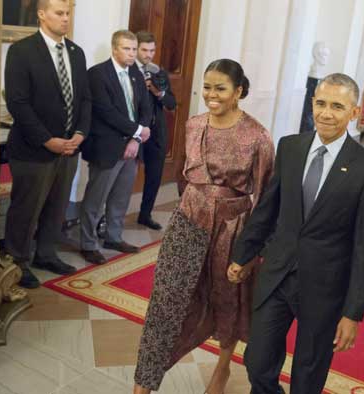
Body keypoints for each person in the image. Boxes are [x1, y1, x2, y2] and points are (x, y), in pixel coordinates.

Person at [228, 73, 364, 394]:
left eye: (338, 106)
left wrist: (352, 313)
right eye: (321, 103)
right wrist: (243, 254)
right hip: (277, 274)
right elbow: (267, 209)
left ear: (354, 112)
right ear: (312, 103)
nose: (327, 113)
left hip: (325, 288)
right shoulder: (290, 147)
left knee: (307, 376)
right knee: (257, 362)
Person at [133, 59, 275, 394]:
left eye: (220, 88)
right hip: (189, 221)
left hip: (232, 228)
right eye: (207, 87)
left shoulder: (258, 136)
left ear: (238, 91)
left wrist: (252, 253)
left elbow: (266, 197)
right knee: (164, 302)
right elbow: (187, 175)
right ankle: (143, 382)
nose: (211, 94)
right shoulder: (194, 124)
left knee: (228, 300)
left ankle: (222, 369)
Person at [4, 0, 91, 288]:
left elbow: (85, 99)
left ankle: (46, 254)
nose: (65, 19)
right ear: (42, 15)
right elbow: (18, 103)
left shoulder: (76, 53)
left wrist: (79, 133)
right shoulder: (22, 51)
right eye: (59, 13)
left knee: (56, 206)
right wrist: (47, 140)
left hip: (69, 149)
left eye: (68, 13)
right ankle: (16, 263)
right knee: (26, 209)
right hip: (33, 150)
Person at [79, 30, 152, 265]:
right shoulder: (97, 74)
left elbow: (146, 108)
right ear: (114, 49)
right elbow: (106, 112)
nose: (132, 54)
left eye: (133, 49)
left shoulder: (136, 74)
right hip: (107, 147)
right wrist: (138, 131)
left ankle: (113, 236)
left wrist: (136, 140)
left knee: (120, 197)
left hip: (131, 147)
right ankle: (88, 244)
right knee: (95, 199)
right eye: (126, 48)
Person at [134, 31, 176, 230]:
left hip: (156, 131)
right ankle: (106, 219)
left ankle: (145, 214)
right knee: (123, 177)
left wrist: (159, 93)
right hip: (133, 131)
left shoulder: (158, 71)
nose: (148, 55)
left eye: (152, 50)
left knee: (155, 175)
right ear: (136, 49)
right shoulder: (128, 70)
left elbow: (171, 103)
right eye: (144, 50)